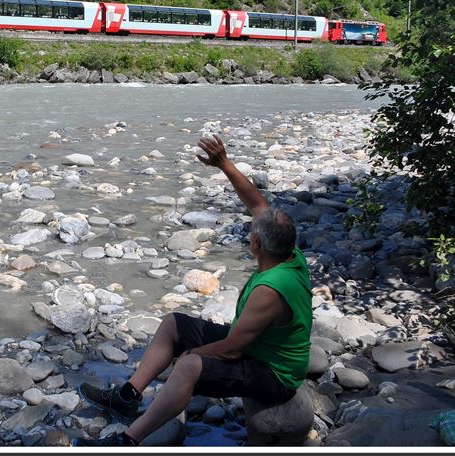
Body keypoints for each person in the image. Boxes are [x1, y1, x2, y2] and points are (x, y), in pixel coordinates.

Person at [73, 134, 313, 447]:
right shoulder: (287, 251)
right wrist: (224, 164)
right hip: (257, 348)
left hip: (274, 373)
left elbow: (232, 350)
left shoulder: (271, 290)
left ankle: (127, 441)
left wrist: (193, 354)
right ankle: (127, 396)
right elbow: (257, 204)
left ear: (256, 243)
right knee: (174, 324)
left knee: (188, 366)